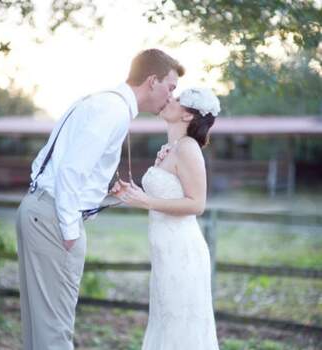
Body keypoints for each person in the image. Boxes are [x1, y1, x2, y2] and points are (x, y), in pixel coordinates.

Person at [15, 48, 185, 350]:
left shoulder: (102, 102)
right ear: (151, 81)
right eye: (170, 88)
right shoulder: (113, 111)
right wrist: (68, 231)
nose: (171, 97)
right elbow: (70, 171)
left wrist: (102, 191)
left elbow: (62, 164)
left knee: (39, 330)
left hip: (41, 209)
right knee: (54, 332)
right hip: (54, 219)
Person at [112, 87, 220, 349]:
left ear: (187, 116)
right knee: (165, 321)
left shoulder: (188, 148)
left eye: (178, 99)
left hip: (182, 251)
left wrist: (145, 201)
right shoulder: (170, 149)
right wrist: (132, 193)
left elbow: (197, 203)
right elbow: (169, 193)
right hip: (164, 250)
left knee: (179, 325)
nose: (169, 99)